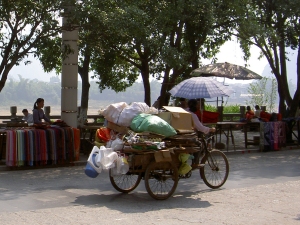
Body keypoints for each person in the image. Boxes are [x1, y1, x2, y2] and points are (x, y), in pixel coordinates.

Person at [187, 99, 215, 169]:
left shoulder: (185, 111)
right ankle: (195, 163)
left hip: (179, 134)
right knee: (199, 144)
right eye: (198, 106)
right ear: (195, 106)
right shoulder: (192, 115)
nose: (198, 107)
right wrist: (210, 129)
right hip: (187, 136)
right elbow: (201, 128)